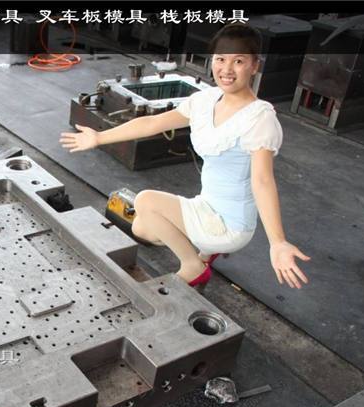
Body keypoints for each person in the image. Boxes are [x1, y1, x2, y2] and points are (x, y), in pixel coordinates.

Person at [60, 23, 310, 289]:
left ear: (254, 66)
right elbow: (152, 123)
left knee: (145, 201)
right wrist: (99, 137)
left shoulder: (259, 118)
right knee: (141, 228)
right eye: (221, 59)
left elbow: (262, 181)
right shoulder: (207, 100)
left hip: (231, 223)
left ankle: (193, 265)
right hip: (207, 204)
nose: (227, 69)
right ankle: (206, 248)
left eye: (238, 61)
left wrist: (277, 242)